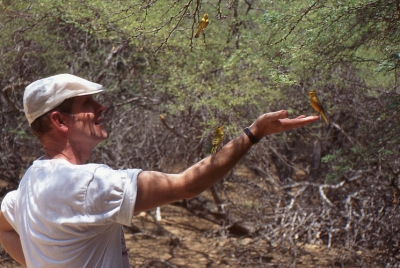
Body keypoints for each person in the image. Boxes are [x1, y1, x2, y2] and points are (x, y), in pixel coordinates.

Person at [0, 74, 319, 267]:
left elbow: (2, 226)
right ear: (60, 121)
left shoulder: (31, 182)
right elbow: (187, 186)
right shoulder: (88, 185)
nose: (101, 108)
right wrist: (253, 134)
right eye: (88, 104)